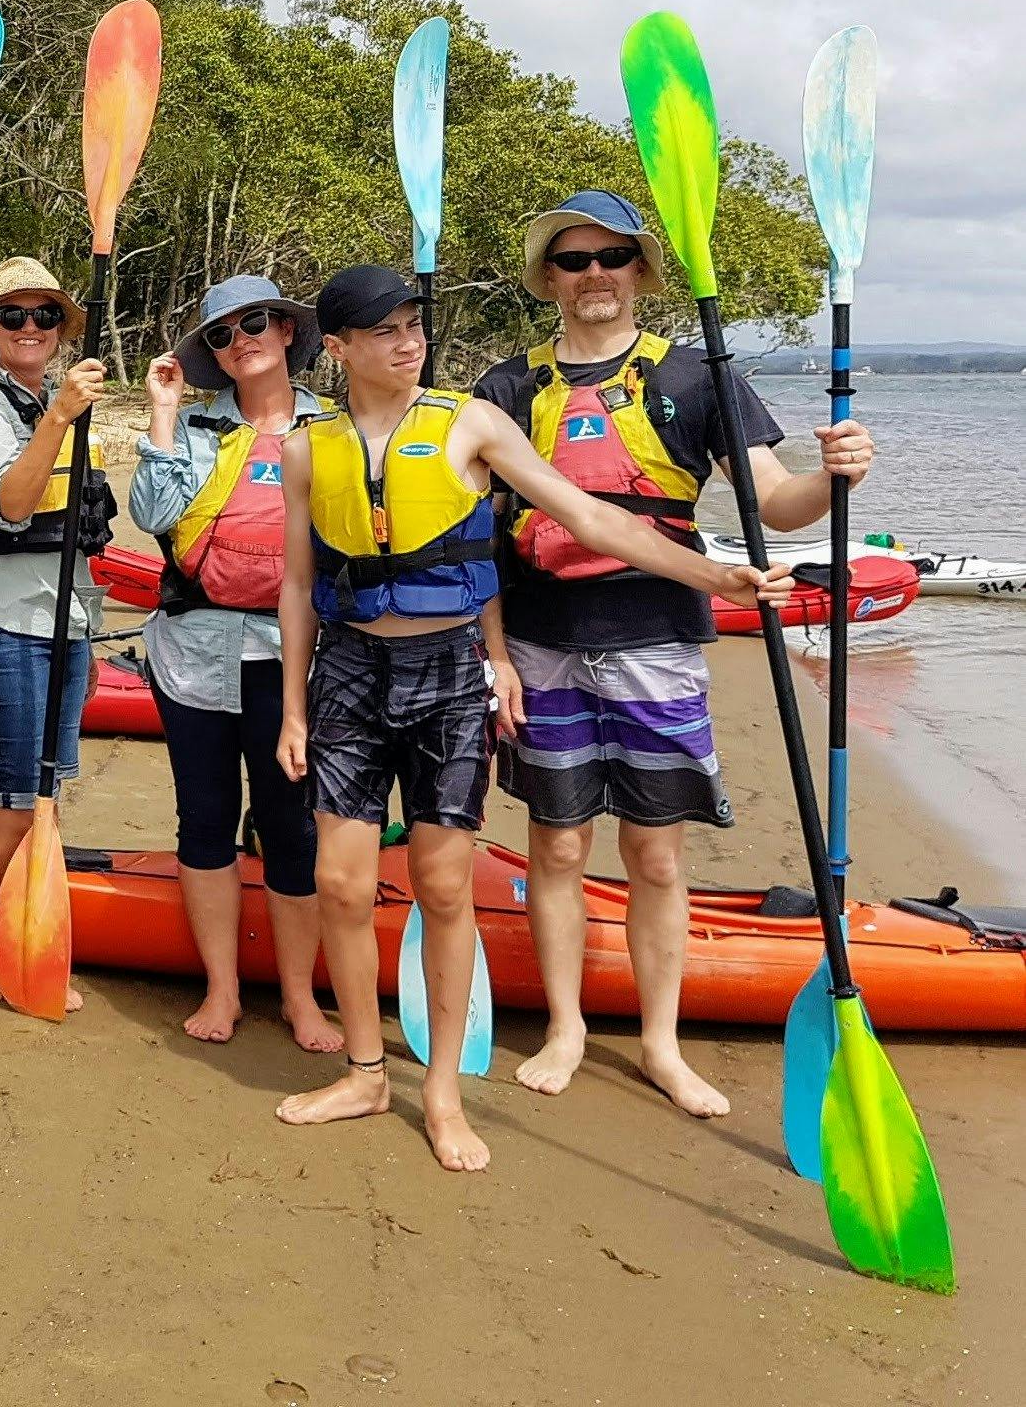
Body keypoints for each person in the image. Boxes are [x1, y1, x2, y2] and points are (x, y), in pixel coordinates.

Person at [271, 265, 788, 1172]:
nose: (407, 340)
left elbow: (588, 517)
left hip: (445, 676)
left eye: (411, 323)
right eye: (383, 330)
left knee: (440, 886)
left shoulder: (472, 422)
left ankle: (437, 1093)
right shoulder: (308, 448)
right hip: (348, 673)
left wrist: (714, 575)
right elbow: (298, 586)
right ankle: (362, 1071)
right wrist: (290, 709)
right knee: (343, 886)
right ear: (340, 349)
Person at [472, 191, 876, 1116]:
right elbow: (477, 546)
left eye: (611, 257)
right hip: (541, 643)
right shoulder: (505, 389)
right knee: (558, 844)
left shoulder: (700, 378)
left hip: (657, 641)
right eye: (572, 261)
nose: (594, 275)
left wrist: (834, 473)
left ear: (640, 272)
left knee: (654, 855)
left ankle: (660, 1040)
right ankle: (567, 1026)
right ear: (549, 280)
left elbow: (772, 503)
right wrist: (491, 655)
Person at [129, 275, 339, 1053]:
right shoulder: (194, 430)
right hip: (193, 651)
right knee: (205, 818)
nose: (239, 339)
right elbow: (150, 513)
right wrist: (157, 413)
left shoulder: (334, 429)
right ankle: (221, 989)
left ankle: (298, 997)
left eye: (254, 323)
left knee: (290, 825)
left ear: (286, 331)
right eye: (221, 334)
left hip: (293, 656)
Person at [0, 257, 111, 1011]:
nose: (29, 328)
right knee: (17, 798)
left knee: (48, 796)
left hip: (65, 618)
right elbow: (10, 504)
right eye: (12, 316)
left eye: (43, 316)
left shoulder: (50, 396)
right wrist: (60, 417)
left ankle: (29, 933)